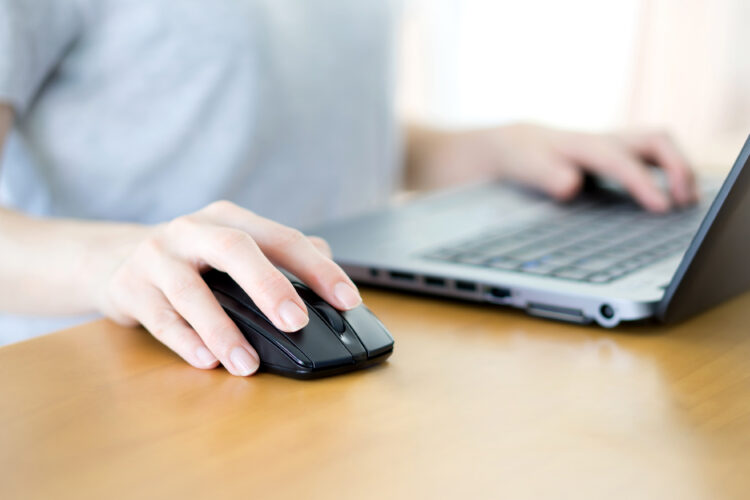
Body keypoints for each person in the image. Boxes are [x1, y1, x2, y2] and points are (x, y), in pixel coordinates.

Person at [0, 1, 697, 376]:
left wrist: (497, 147)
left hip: (346, 332)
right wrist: (118, 264)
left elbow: (292, 126)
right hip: (117, 378)